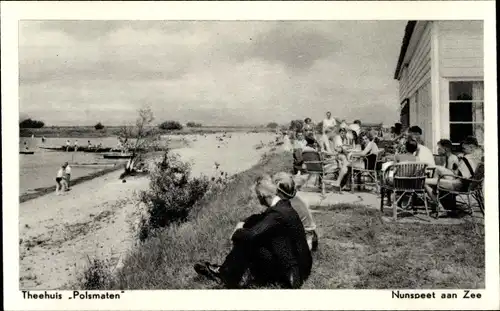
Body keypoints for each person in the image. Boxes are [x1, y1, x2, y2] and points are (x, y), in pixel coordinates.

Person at [194, 175, 312, 289]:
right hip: (301, 266)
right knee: (255, 235)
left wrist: (237, 232)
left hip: (292, 275)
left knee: (248, 240)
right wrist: (244, 222)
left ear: (262, 196)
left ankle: (225, 275)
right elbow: (262, 217)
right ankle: (231, 271)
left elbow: (251, 235)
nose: (258, 199)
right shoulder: (283, 206)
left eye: (258, 196)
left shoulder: (277, 214)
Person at [425, 136, 483, 213]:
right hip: (468, 184)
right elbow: (463, 173)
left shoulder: (466, 158)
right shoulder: (477, 158)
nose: (463, 151)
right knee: (438, 170)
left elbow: (457, 174)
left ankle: (439, 206)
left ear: (471, 147)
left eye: (464, 149)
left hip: (458, 185)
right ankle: (438, 197)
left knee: (424, 181)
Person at [272, 172, 318, 252]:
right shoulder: (298, 199)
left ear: (278, 190)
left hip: (302, 240)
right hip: (311, 236)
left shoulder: (285, 205)